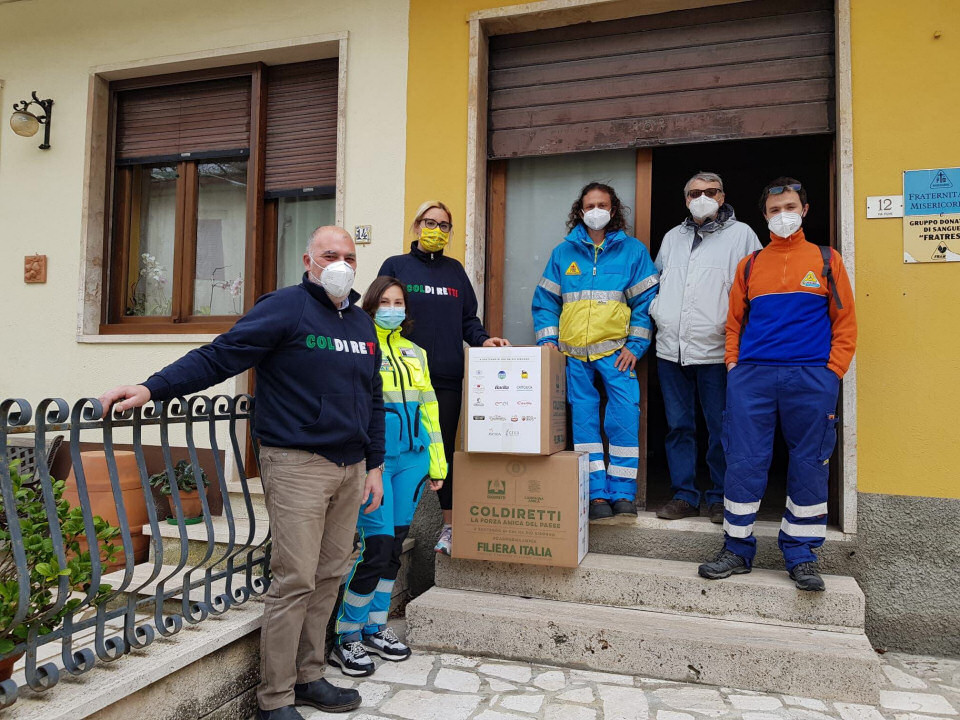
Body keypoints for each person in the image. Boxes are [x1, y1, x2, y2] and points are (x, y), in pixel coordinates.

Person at [99, 226, 385, 720]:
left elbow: (374, 399)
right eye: (329, 254)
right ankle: (275, 699)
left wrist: (374, 465)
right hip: (297, 462)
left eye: (349, 256)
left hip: (351, 466)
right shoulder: (285, 306)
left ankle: (310, 675)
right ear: (308, 259)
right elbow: (220, 355)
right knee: (294, 578)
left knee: (330, 573)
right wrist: (152, 388)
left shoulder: (361, 323)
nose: (340, 264)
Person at [698, 178, 856, 591]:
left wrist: (832, 372)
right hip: (753, 378)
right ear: (764, 215)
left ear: (804, 209)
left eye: (789, 206)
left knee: (809, 463)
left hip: (810, 377)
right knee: (744, 461)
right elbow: (733, 323)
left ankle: (802, 555)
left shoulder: (826, 259)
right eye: (773, 209)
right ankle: (736, 548)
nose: (782, 215)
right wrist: (734, 366)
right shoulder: (750, 264)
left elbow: (846, 325)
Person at [329, 277, 447, 677]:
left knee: (393, 547)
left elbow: (429, 407)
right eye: (385, 301)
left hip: (413, 461)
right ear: (372, 306)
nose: (393, 308)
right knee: (374, 548)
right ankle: (347, 635)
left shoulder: (416, 352)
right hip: (376, 463)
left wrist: (438, 463)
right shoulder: (361, 347)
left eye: (399, 302)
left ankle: (375, 627)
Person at [378, 201, 508, 555]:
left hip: (447, 378)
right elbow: (380, 310)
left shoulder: (455, 271)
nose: (436, 229)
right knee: (394, 447)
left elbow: (469, 320)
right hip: (401, 380)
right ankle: (385, 526)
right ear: (417, 225)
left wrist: (484, 340)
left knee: (442, 450)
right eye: (429, 222)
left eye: (444, 225)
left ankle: (448, 527)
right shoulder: (396, 266)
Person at [532, 182, 659, 522]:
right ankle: (597, 495)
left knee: (624, 420)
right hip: (573, 356)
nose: (596, 210)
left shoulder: (633, 251)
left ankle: (623, 495)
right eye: (590, 205)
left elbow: (646, 305)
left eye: (602, 204)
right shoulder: (563, 253)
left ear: (613, 209)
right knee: (584, 424)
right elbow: (545, 302)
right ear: (580, 211)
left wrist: (635, 346)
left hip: (617, 354)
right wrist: (549, 340)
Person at [651, 172, 761, 523]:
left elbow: (755, 290)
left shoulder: (742, 235)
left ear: (722, 195)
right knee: (678, 426)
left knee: (720, 426)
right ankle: (684, 495)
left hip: (717, 350)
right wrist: (659, 313)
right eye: (695, 193)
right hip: (672, 349)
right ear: (686, 200)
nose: (702, 197)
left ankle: (719, 496)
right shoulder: (672, 237)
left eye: (710, 192)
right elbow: (657, 282)